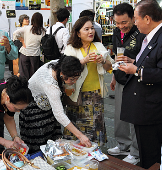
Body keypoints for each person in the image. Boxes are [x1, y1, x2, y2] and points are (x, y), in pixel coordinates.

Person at [118, 0, 162, 168]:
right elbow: (152, 62)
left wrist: (136, 70)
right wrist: (133, 61)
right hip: (145, 105)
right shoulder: (151, 36)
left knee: (149, 155)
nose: (135, 23)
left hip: (151, 108)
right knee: (147, 151)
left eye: (136, 19)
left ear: (148, 18)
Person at [19, 55, 92, 153]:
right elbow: (59, 114)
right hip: (34, 110)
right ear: (62, 74)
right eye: (71, 79)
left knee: (53, 143)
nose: (74, 82)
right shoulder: (51, 86)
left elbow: (74, 64)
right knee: (39, 146)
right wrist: (80, 135)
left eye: (76, 78)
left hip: (47, 105)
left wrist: (84, 60)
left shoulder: (60, 64)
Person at [63, 16, 113, 146]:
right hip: (76, 94)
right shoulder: (70, 48)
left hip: (95, 94)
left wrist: (102, 61)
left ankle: (94, 154)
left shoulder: (98, 46)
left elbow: (110, 67)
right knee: (77, 124)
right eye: (86, 29)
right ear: (78, 33)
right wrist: (84, 60)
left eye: (92, 28)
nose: (91, 32)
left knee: (95, 126)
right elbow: (66, 70)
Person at [107, 3, 145, 165]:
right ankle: (123, 144)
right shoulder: (116, 32)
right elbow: (117, 55)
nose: (121, 26)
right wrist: (114, 77)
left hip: (137, 78)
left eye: (124, 22)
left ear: (133, 19)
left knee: (136, 115)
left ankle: (136, 152)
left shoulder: (142, 33)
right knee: (120, 114)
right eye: (117, 22)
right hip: (121, 77)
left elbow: (147, 59)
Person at [13, 12, 45, 80]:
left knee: (24, 75)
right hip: (35, 55)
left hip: (25, 53)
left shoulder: (27, 28)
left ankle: (24, 89)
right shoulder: (42, 31)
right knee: (33, 76)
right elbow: (43, 43)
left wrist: (22, 40)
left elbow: (15, 33)